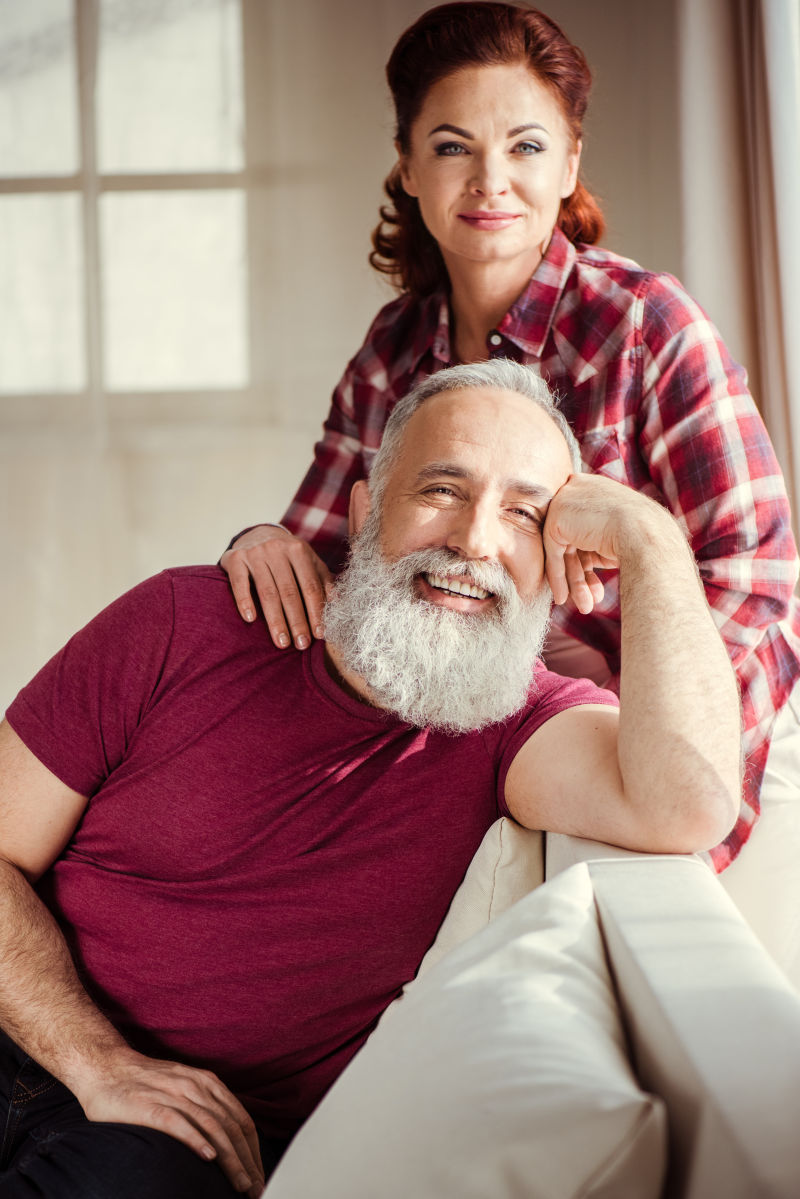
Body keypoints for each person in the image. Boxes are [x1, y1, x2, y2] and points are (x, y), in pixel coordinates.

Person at [0, 361, 740, 1197]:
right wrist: (95, 1059)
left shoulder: (523, 729)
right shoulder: (182, 621)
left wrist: (650, 540)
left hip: (162, 1142)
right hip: (29, 1027)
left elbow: (693, 799)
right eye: (441, 490)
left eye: (525, 514)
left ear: (557, 556)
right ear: (362, 512)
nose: (473, 540)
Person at [218, 1, 800, 876]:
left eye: (526, 147)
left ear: (569, 164)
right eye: (453, 147)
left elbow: (756, 574)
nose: (492, 180)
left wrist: (626, 718)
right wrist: (260, 542)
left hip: (671, 707)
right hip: (495, 711)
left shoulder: (647, 323)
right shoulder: (391, 350)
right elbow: (328, 553)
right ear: (409, 168)